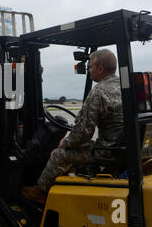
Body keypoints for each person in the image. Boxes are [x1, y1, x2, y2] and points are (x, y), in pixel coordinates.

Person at [21, 49, 125, 204]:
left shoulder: (99, 92)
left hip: (106, 151)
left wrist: (67, 142)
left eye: (90, 67)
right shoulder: (124, 87)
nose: (89, 70)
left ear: (100, 69)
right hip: (121, 147)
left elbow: (83, 133)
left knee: (59, 154)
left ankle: (40, 192)